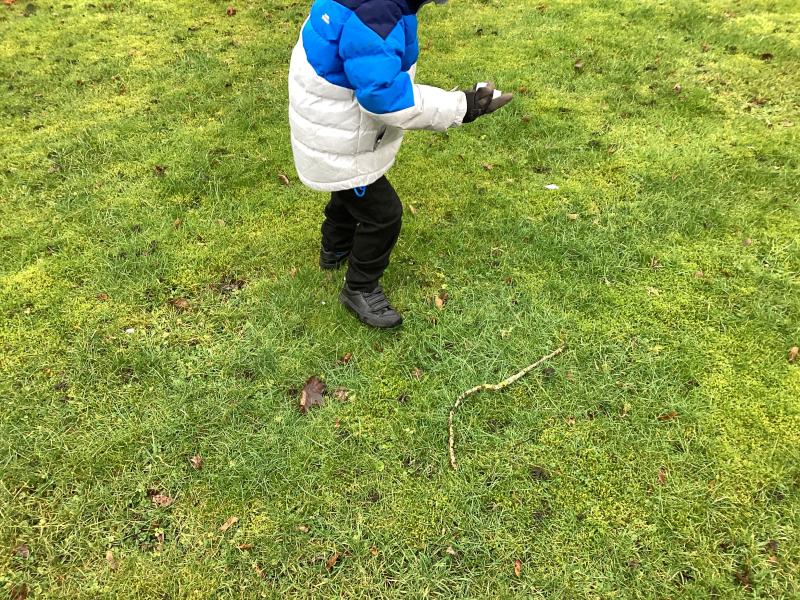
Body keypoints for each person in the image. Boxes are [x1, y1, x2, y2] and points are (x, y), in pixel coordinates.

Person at [288, 0, 512, 328]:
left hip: (328, 118)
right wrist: (462, 106)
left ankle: (334, 249)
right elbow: (383, 96)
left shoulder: (377, 8)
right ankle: (360, 288)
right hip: (338, 131)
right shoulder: (377, 13)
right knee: (382, 214)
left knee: (349, 188)